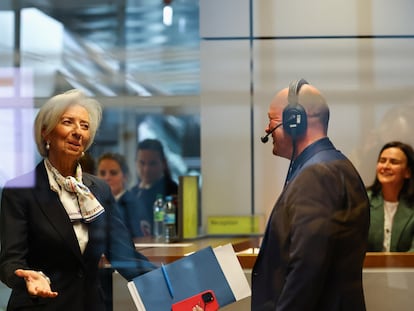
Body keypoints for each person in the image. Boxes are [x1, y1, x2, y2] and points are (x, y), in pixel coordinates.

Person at [0, 89, 156, 311]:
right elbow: (10, 262)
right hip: (41, 306)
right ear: (46, 133)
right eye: (68, 122)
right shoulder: (20, 191)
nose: (78, 132)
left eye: (84, 126)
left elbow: (125, 256)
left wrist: (174, 285)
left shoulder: (99, 190)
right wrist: (27, 278)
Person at [252, 79, 370, 311]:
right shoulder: (333, 165)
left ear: (295, 120)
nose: (267, 129)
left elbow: (306, 271)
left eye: (271, 120)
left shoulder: (317, 175)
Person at [366, 141, 414, 252]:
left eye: (394, 162)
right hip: (369, 269)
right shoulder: (363, 202)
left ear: (408, 172)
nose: (386, 166)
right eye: (382, 161)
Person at [130, 138, 178, 236]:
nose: (146, 169)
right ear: (136, 163)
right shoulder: (132, 194)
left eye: (152, 163)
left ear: (163, 163)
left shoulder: (173, 192)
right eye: (142, 163)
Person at [97, 152, 143, 239]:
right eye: (102, 173)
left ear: (125, 177)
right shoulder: (93, 203)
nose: (107, 178)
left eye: (113, 173)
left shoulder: (133, 204)